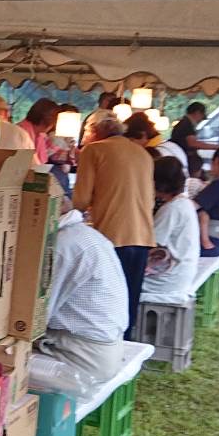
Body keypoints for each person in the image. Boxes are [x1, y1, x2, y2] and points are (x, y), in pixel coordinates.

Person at [73, 117, 156, 339]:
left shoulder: (94, 151)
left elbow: (80, 199)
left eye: (87, 133)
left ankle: (105, 345)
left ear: (95, 131)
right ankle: (126, 345)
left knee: (107, 299)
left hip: (111, 234)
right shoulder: (143, 153)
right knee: (130, 297)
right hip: (142, 235)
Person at [37, 208, 129, 384]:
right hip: (102, 349)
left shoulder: (62, 246)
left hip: (82, 358)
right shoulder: (85, 234)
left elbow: (35, 319)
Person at [142, 157, 199, 303]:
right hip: (182, 273)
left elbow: (151, 244)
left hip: (169, 280)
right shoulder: (184, 203)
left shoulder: (171, 209)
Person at [169, 102, 215, 178]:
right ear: (197, 113)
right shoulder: (187, 125)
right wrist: (215, 147)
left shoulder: (183, 123)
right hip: (187, 160)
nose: (200, 120)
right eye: (201, 117)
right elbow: (192, 143)